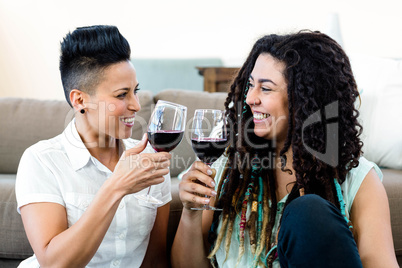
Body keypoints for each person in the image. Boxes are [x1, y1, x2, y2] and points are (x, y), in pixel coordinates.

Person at [171, 31, 399, 268]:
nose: (250, 98)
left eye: (265, 89)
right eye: (250, 85)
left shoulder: (357, 178)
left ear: (303, 100)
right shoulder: (228, 166)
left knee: (309, 211)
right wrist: (191, 212)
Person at [15, 25, 172, 267]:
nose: (136, 105)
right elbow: (54, 264)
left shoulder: (150, 159)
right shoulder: (41, 160)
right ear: (80, 100)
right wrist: (116, 187)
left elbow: (155, 259)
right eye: (121, 95)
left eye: (135, 91)